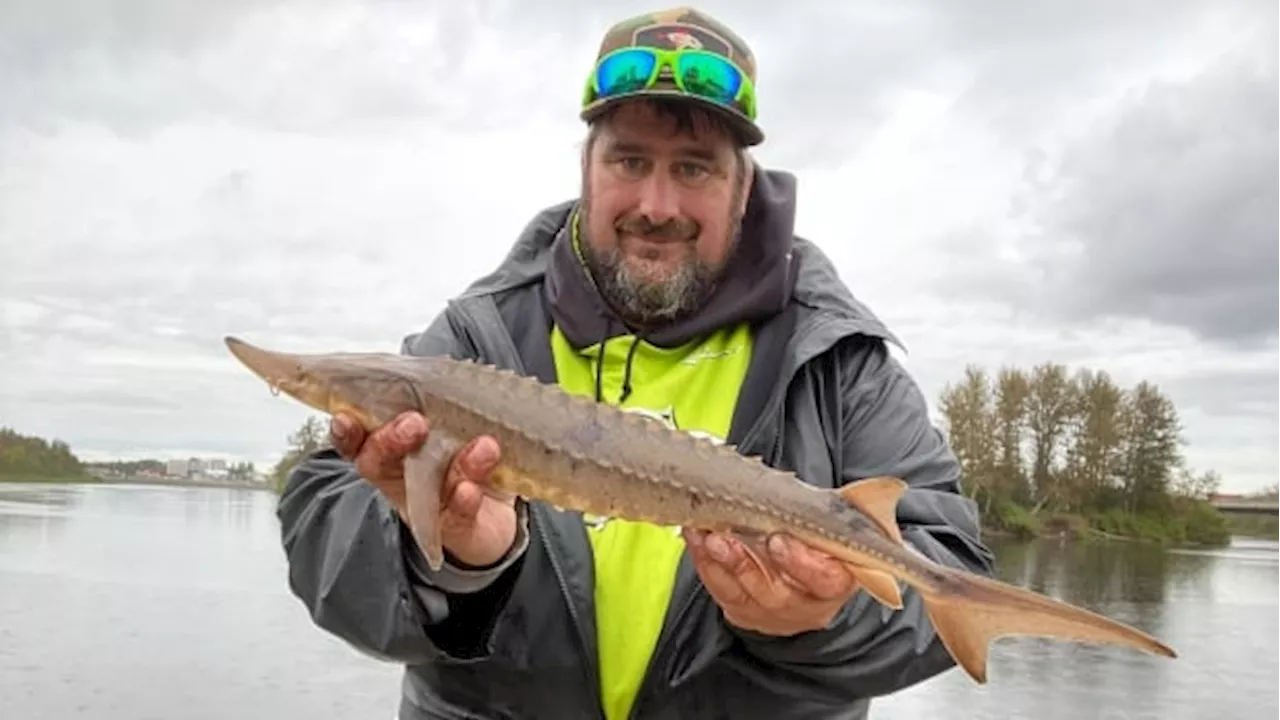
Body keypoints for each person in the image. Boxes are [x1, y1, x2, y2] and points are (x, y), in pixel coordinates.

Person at [277, 6, 995, 719]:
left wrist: (817, 623)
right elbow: (324, 539)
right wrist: (462, 563)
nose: (657, 204)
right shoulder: (475, 335)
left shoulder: (838, 360)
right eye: (629, 160)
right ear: (586, 169)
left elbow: (951, 569)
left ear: (744, 186)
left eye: (695, 168)